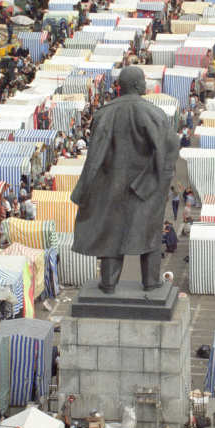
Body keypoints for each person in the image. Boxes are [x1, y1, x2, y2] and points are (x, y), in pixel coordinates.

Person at [70, 67, 181, 293]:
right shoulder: (154, 113)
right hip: (146, 187)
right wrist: (154, 183)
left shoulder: (104, 113)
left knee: (111, 234)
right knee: (149, 232)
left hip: (111, 185)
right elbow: (170, 148)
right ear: (139, 86)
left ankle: (109, 283)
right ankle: (150, 282)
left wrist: (83, 190)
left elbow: (94, 157)